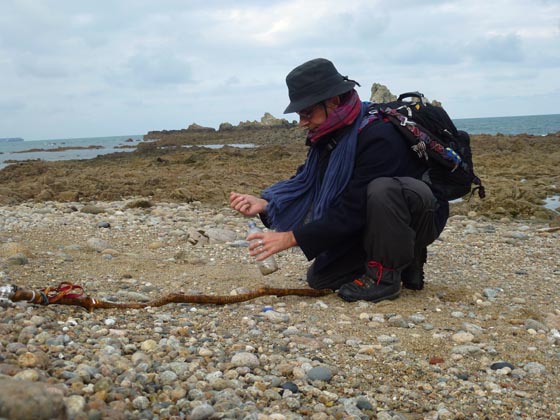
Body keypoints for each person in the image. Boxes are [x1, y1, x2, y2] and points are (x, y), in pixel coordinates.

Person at [229, 58, 449, 303]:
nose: (302, 122)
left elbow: (353, 209)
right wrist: (266, 205)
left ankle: (386, 277)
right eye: (300, 114)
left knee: (383, 189)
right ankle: (404, 262)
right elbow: (308, 182)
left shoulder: (380, 135)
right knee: (321, 278)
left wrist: (292, 237)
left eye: (307, 113)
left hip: (418, 215)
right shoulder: (329, 135)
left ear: (332, 102)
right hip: (372, 220)